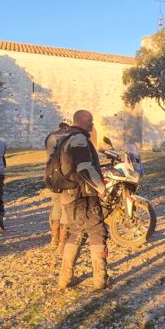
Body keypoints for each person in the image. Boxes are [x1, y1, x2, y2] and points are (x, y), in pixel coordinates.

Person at [56, 109, 109, 290]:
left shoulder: (65, 137)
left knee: (75, 232)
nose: (92, 125)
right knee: (97, 231)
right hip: (83, 196)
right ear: (80, 120)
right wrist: (101, 189)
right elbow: (85, 168)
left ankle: (64, 278)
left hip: (68, 194)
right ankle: (100, 279)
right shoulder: (79, 139)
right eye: (90, 122)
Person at [44, 121, 71, 249]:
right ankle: (62, 243)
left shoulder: (50, 137)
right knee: (66, 209)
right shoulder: (65, 140)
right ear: (65, 127)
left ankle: (54, 239)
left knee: (56, 207)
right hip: (64, 178)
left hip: (52, 177)